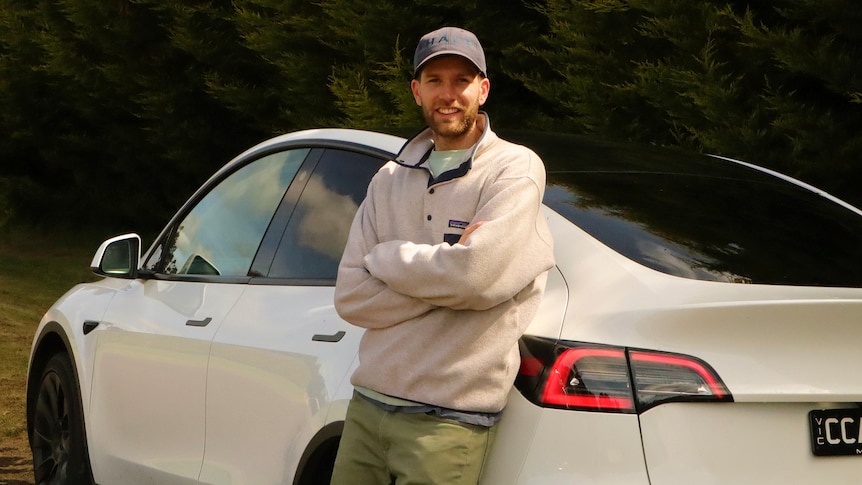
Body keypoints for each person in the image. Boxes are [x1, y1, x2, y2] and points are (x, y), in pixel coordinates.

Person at [330, 26, 555, 485]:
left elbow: (474, 277)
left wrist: (387, 259)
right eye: (435, 81)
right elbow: (351, 296)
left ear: (483, 89)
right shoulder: (388, 179)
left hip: (449, 419)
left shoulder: (515, 169)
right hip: (368, 408)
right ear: (417, 91)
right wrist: (452, 275)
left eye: (461, 80)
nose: (448, 94)